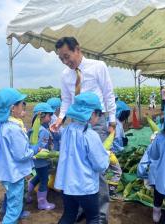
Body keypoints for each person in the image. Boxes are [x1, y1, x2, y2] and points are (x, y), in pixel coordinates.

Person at [51, 36, 116, 224]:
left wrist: (112, 120)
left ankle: (100, 214)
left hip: (96, 121)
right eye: (61, 59)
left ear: (77, 49)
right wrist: (61, 120)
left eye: (67, 56)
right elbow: (66, 100)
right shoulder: (65, 75)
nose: (65, 61)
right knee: (77, 165)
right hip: (75, 122)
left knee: (98, 169)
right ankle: (83, 209)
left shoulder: (98, 66)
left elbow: (108, 94)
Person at [55, 92, 110, 224]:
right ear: (92, 114)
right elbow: (100, 164)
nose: (100, 117)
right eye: (99, 114)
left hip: (67, 185)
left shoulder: (67, 130)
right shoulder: (90, 135)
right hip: (85, 187)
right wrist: (107, 156)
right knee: (93, 218)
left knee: (69, 215)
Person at [0, 88, 39, 223]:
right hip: (14, 173)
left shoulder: (3, 123)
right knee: (14, 206)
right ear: (13, 108)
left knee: (11, 196)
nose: (23, 106)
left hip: (6, 170)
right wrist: (34, 150)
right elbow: (21, 155)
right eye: (22, 104)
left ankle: (7, 209)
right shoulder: (13, 128)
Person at [27, 103, 56, 210]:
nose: (51, 117)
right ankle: (42, 203)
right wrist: (52, 154)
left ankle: (26, 195)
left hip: (34, 160)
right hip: (42, 161)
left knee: (37, 177)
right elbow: (41, 148)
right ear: (42, 116)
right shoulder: (43, 131)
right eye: (49, 115)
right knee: (44, 180)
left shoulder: (35, 128)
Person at [137, 132, 164, 223]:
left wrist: (144, 176)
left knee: (157, 197)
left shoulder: (151, 146)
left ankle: (156, 217)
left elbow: (142, 165)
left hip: (155, 178)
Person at [107, 100, 129, 199]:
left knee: (104, 171)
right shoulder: (114, 124)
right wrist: (121, 149)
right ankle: (111, 191)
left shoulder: (115, 121)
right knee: (117, 171)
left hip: (108, 152)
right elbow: (115, 140)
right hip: (111, 153)